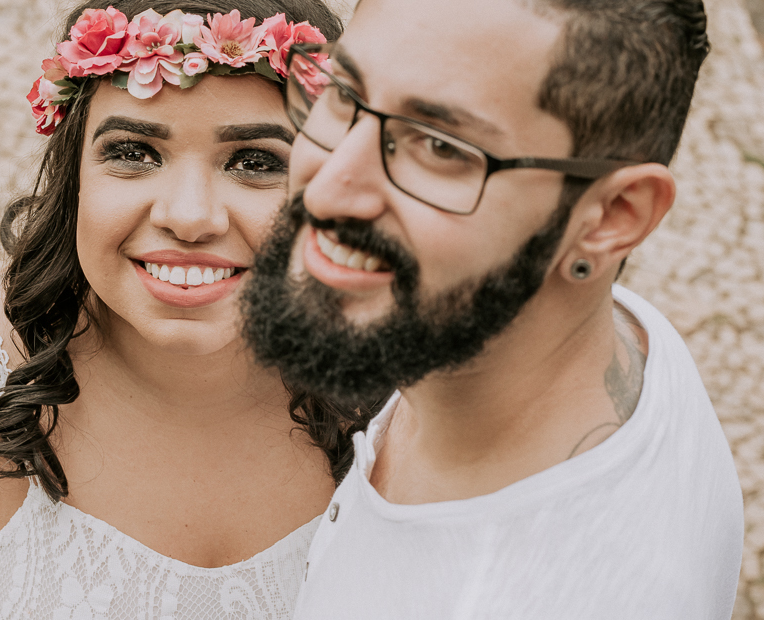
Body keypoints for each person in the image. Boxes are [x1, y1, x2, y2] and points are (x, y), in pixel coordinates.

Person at [0, 2, 357, 619]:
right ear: (75, 174)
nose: (189, 217)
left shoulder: (411, 392)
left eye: (256, 162)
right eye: (135, 152)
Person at [241, 0, 745, 617]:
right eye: (343, 93)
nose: (326, 189)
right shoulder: (593, 327)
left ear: (612, 217)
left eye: (439, 146)